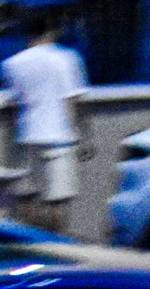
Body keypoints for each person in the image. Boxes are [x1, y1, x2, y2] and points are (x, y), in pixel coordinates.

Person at [4, 16, 89, 234]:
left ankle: (31, 240)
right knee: (58, 199)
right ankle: (55, 241)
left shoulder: (12, 63)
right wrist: (84, 136)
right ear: (51, 32)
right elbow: (73, 101)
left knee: (26, 197)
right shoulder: (67, 58)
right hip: (60, 136)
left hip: (27, 134)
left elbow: (16, 98)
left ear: (28, 36)